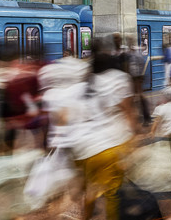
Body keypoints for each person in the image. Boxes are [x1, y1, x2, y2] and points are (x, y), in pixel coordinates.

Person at [68, 38, 135, 220]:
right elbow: (128, 112)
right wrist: (131, 144)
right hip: (108, 146)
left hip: (82, 148)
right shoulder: (118, 79)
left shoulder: (82, 84)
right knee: (112, 194)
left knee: (91, 189)